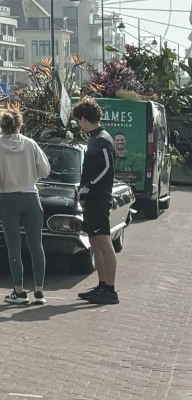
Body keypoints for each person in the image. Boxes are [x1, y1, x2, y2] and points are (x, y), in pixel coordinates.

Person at [0, 110, 51, 305]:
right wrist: (33, 177)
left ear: (1, 126)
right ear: (19, 125)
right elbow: (45, 170)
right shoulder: (30, 144)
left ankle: (19, 291)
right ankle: (39, 291)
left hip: (8, 199)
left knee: (14, 246)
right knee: (36, 245)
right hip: (31, 196)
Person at [73, 99, 119, 304]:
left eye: (78, 121)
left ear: (84, 119)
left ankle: (110, 289)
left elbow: (107, 167)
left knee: (104, 241)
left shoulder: (102, 139)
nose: (78, 125)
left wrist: (88, 186)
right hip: (91, 199)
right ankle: (102, 285)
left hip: (100, 198)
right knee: (94, 240)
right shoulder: (95, 138)